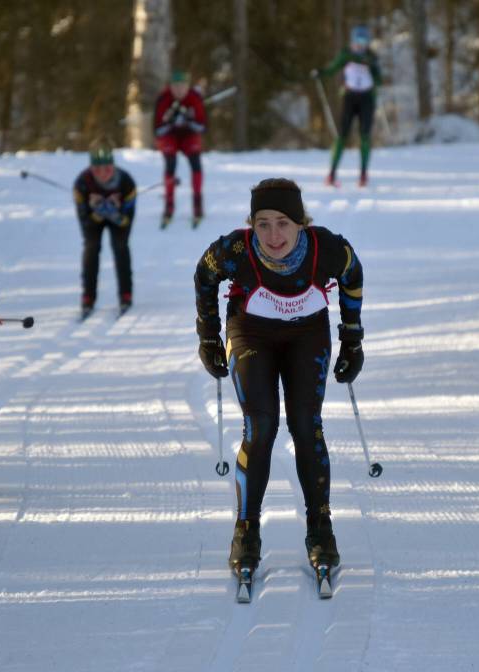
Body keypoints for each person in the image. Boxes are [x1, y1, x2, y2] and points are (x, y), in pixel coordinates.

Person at [193, 178, 366, 575]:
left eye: (284, 223)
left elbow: (353, 276)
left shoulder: (327, 248)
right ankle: (246, 530)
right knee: (261, 425)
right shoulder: (234, 250)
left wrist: (352, 338)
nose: (273, 235)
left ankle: (320, 528)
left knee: (307, 425)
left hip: (307, 333)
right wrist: (208, 336)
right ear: (251, 224)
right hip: (251, 332)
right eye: (263, 223)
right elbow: (204, 276)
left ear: (301, 223)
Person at [73, 136, 137, 319]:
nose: (102, 173)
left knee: (120, 246)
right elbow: (84, 222)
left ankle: (126, 294)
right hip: (94, 218)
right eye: (97, 169)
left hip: (118, 218)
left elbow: (127, 222)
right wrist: (98, 212)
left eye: (107, 168)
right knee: (91, 247)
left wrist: (115, 213)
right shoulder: (82, 184)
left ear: (113, 166)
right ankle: (88, 297)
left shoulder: (126, 183)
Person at [312, 25, 382, 187]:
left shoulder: (371, 57)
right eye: (358, 40)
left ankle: (363, 175)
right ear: (352, 40)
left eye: (364, 41)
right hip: (350, 98)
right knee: (341, 136)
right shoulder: (346, 54)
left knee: (365, 135)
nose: (361, 45)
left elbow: (379, 80)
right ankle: (332, 174)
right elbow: (332, 69)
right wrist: (320, 73)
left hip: (367, 99)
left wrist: (372, 68)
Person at [154, 70, 207, 229]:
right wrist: (170, 121)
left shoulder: (194, 98)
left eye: (182, 86)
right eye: (175, 87)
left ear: (188, 86)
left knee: (195, 163)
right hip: (170, 136)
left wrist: (188, 120)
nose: (179, 90)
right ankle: (169, 204)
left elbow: (202, 127)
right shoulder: (164, 99)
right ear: (170, 87)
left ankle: (197, 203)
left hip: (189, 135)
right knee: (170, 163)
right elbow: (157, 130)